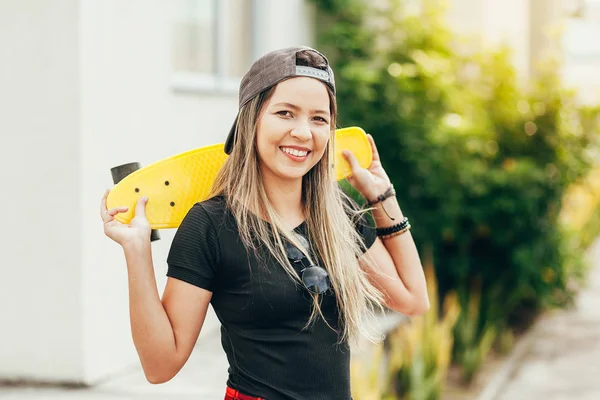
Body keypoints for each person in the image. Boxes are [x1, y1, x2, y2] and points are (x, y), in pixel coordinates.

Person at [100, 46, 429, 400]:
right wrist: (137, 252)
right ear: (252, 120)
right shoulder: (211, 225)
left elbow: (412, 299)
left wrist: (383, 199)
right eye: (285, 113)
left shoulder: (336, 216)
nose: (303, 132)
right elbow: (160, 365)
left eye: (319, 119)